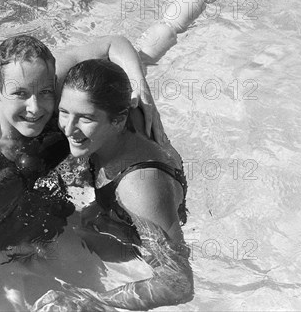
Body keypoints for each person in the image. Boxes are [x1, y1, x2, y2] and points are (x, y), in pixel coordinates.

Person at [0, 34, 163, 310]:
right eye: (20, 94)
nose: (35, 108)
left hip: (47, 224)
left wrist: (142, 90)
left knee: (91, 300)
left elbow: (113, 44)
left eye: (45, 93)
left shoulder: (46, 81)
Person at [32, 59, 193, 311]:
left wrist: (93, 301)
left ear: (118, 121)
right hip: (114, 204)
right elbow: (112, 45)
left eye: (85, 118)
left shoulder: (139, 187)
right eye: (64, 112)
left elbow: (178, 283)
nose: (69, 128)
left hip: (135, 234)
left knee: (49, 244)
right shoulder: (113, 116)